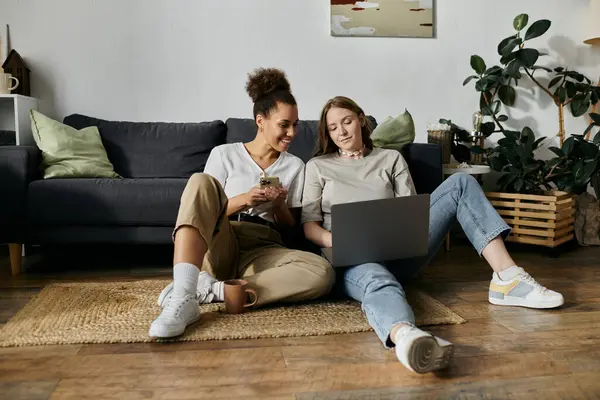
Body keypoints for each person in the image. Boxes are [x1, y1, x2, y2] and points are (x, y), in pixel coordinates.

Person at [301, 96, 565, 373]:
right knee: (378, 280)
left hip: (399, 249)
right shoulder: (318, 166)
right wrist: (337, 241)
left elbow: (411, 212)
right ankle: (406, 336)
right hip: (353, 259)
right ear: (327, 133)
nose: (341, 132)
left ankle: (507, 279)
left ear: (361, 119)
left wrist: (400, 233)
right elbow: (309, 226)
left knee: (460, 183)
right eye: (333, 127)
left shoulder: (390, 158)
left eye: (347, 121)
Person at [149, 68, 335, 339]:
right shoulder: (224, 154)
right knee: (200, 181)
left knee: (322, 272)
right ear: (261, 121)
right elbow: (203, 208)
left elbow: (292, 233)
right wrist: (246, 199)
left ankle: (206, 291)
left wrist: (280, 206)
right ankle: (184, 296)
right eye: (284, 124)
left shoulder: (296, 166)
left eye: (296, 124)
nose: (292, 132)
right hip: (223, 239)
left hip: (264, 247)